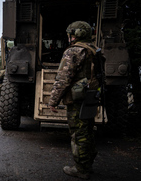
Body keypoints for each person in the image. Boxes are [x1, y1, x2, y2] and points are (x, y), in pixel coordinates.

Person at [48, 21, 100, 180]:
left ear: (75, 34)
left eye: (70, 34)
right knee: (88, 130)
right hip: (90, 96)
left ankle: (81, 169)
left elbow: (63, 78)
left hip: (77, 98)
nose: (69, 37)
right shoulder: (94, 50)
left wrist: (53, 100)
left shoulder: (74, 51)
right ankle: (87, 164)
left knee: (79, 134)